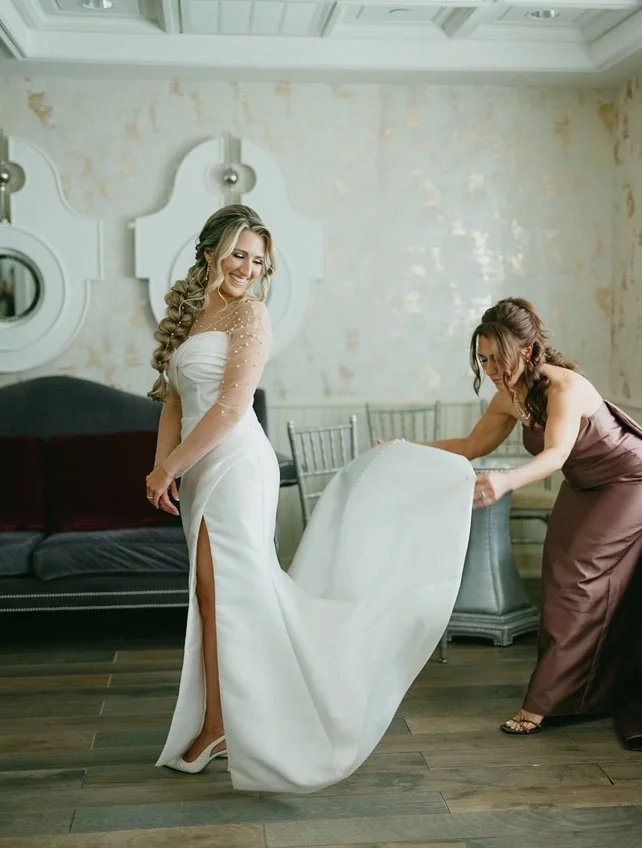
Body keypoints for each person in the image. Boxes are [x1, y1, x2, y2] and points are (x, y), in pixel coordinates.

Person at [144, 204, 477, 793]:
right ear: (209, 253)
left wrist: (173, 465)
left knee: (229, 595)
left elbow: (232, 407)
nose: (248, 268)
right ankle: (221, 721)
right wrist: (161, 467)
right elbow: (174, 400)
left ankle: (227, 725)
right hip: (196, 469)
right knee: (209, 596)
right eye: (238, 254)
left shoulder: (251, 315)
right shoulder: (194, 314)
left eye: (258, 261)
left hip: (236, 466)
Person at [428, 297, 642, 747]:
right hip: (584, 485)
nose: (489, 368)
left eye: (496, 357)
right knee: (558, 574)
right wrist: (408, 447)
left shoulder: (563, 388)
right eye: (483, 359)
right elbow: (470, 445)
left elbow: (557, 454)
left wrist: (506, 481)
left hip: (628, 481)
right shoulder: (508, 396)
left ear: (526, 351)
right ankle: (581, 692)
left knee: (578, 577)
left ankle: (542, 703)